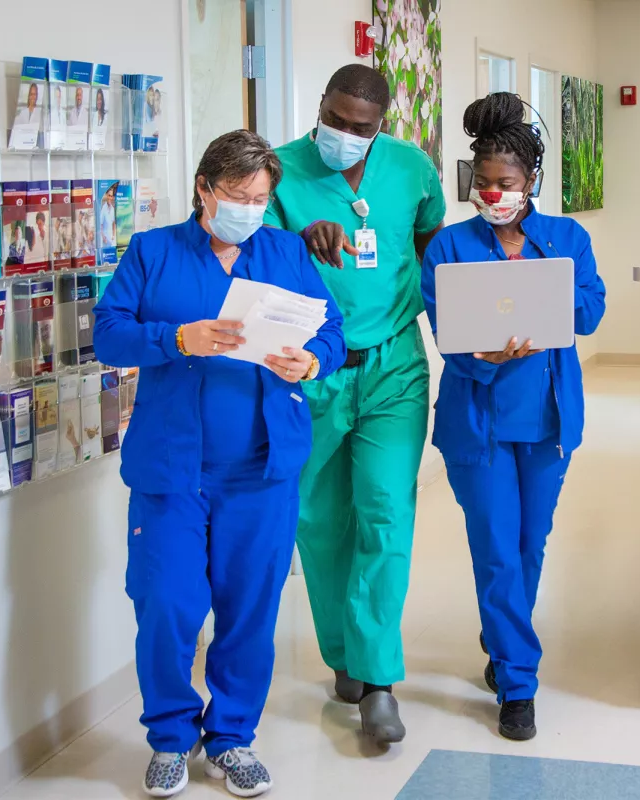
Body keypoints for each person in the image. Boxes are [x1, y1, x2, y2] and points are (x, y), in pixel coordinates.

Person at [93, 130, 347, 798]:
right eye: (238, 196)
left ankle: (231, 739)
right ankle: (172, 737)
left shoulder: (285, 252)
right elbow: (109, 333)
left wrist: (313, 358)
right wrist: (176, 337)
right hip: (172, 470)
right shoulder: (154, 253)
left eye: (261, 197)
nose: (250, 208)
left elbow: (332, 330)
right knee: (168, 604)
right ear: (205, 189)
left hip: (261, 468)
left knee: (249, 610)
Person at [265, 63, 446, 744]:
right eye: (334, 119)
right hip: (310, 369)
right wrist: (293, 244)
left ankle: (377, 679)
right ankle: (342, 651)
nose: (344, 134)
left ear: (381, 126)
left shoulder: (410, 169)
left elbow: (431, 250)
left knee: (386, 512)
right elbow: (247, 259)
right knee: (320, 518)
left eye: (360, 127)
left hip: (395, 365)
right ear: (320, 107)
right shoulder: (280, 171)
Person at [421, 93, 606, 742]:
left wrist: (550, 303)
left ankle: (502, 639)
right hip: (479, 424)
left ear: (531, 182)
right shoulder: (449, 246)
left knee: (530, 545)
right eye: (485, 183)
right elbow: (447, 332)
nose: (494, 194)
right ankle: (518, 683)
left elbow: (590, 313)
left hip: (547, 422)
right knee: (498, 551)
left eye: (508, 184)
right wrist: (485, 353)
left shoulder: (567, 239)